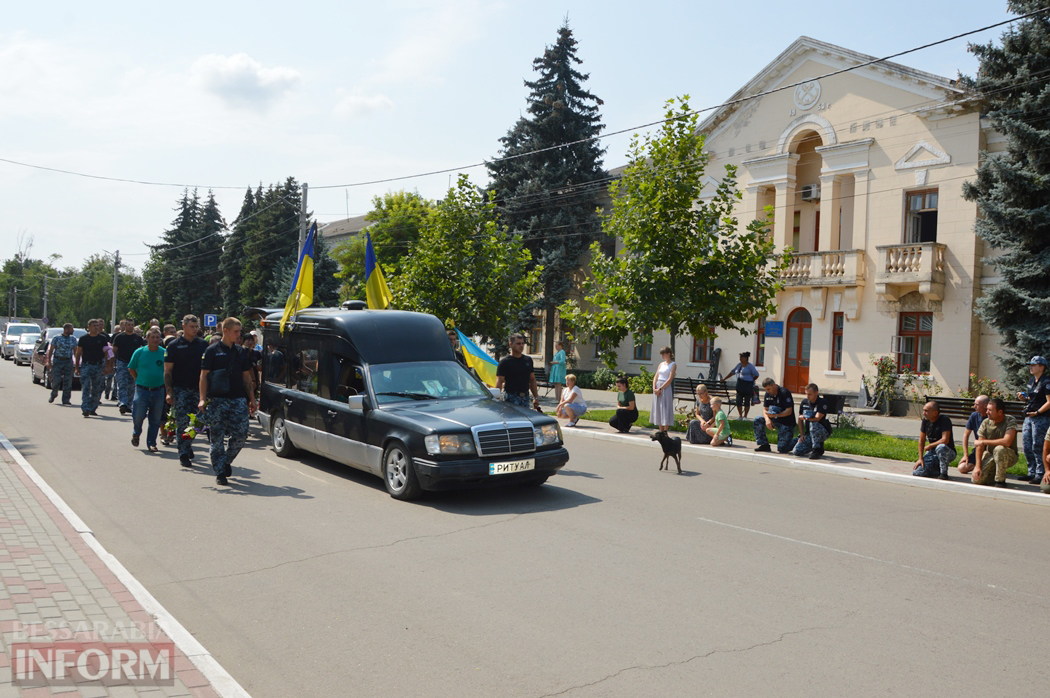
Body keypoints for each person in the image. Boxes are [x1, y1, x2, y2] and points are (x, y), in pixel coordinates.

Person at [199, 317, 256, 486]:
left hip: (238, 398)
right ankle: (220, 471)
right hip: (217, 399)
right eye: (236, 332)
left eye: (240, 332)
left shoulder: (240, 351)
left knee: (241, 434)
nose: (239, 335)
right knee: (216, 437)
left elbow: (247, 377)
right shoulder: (212, 351)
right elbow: (203, 376)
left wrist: (252, 399)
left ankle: (225, 461)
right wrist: (202, 399)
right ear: (226, 331)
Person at [165, 315, 208, 468]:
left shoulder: (203, 345)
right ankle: (183, 452)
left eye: (196, 327)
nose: (195, 330)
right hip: (180, 389)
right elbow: (168, 371)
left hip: (199, 390)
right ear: (183, 327)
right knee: (182, 422)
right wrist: (169, 391)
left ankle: (187, 444)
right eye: (192, 327)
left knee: (198, 422)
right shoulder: (174, 346)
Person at [128, 327, 166, 452]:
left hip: (159, 390)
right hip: (142, 389)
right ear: (147, 338)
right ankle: (136, 432)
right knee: (138, 416)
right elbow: (131, 368)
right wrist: (138, 379)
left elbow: (168, 370)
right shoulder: (139, 352)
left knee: (155, 419)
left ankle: (151, 443)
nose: (155, 340)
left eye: (157, 337)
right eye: (152, 337)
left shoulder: (164, 352)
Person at [1017, 356, 1050, 484]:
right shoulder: (1032, 381)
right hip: (1029, 417)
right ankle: (1031, 472)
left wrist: (1037, 412)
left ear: (1041, 367)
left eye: (1033, 365)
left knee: (1038, 445)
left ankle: (1040, 473)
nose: (1030, 367)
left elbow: (1049, 402)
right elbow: (1032, 399)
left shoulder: (1047, 382)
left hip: (1041, 418)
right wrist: (1024, 398)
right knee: (1027, 445)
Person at [972, 398, 1018, 487]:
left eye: (990, 410)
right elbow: (979, 446)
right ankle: (992, 474)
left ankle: (1000, 481)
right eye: (987, 409)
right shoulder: (985, 422)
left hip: (1008, 455)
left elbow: (1007, 442)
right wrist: (978, 466)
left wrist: (983, 442)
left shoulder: (1010, 420)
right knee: (977, 480)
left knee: (999, 449)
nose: (987, 412)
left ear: (1000, 412)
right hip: (990, 454)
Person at [74, 319, 110, 417]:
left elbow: (106, 352)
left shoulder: (102, 338)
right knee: (86, 387)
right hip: (86, 365)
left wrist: (107, 366)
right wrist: (77, 367)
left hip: (98, 365)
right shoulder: (83, 338)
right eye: (94, 325)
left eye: (97, 325)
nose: (96, 327)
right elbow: (78, 353)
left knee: (96, 388)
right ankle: (85, 408)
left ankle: (93, 408)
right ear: (89, 327)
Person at [496, 333, 540, 411]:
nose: (521, 346)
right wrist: (496, 399)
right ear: (510, 344)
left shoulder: (528, 360)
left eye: (523, 343)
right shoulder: (505, 362)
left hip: (525, 398)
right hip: (510, 398)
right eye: (518, 343)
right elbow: (499, 381)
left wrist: (535, 397)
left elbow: (532, 379)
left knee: (525, 421)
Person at [913, 401, 956, 479]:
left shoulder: (944, 420)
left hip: (947, 451)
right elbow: (921, 440)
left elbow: (945, 440)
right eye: (923, 410)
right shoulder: (925, 421)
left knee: (941, 447)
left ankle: (943, 473)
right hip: (933, 452)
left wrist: (930, 445)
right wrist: (920, 458)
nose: (923, 413)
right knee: (917, 472)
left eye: (926, 411)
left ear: (935, 413)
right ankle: (936, 470)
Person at [113, 319, 146, 415]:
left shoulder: (138, 338)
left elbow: (142, 351)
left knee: (132, 385)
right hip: (122, 362)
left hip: (134, 364)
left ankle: (128, 404)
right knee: (122, 383)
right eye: (129, 325)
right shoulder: (119, 337)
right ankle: (122, 403)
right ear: (125, 326)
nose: (131, 326)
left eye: (132, 325)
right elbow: (114, 350)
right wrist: (111, 363)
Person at [754, 377, 795, 453]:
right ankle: (764, 445)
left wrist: (776, 416)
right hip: (773, 419)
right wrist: (767, 419)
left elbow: (789, 411)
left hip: (786, 422)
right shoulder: (768, 394)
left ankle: (798, 440)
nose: (767, 391)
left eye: (769, 389)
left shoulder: (784, 393)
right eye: (766, 389)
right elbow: (765, 409)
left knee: (782, 449)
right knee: (758, 419)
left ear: (774, 385)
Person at [792, 383, 833, 459]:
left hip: (822, 431)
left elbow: (817, 418)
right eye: (806, 394)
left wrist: (806, 418)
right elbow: (800, 419)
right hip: (810, 433)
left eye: (810, 394)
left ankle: (817, 450)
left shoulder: (822, 402)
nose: (807, 396)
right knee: (796, 451)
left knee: (813, 424)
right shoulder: (804, 403)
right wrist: (802, 434)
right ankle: (812, 444)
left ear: (816, 393)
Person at [45, 323, 78, 405]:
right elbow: (51, 350)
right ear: (66, 329)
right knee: (56, 380)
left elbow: (75, 351)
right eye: (71, 329)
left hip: (68, 361)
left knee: (68, 381)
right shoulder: (56, 338)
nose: (73, 330)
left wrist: (76, 363)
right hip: (57, 360)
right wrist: (49, 361)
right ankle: (54, 394)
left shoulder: (73, 339)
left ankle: (66, 399)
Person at [957, 395, 989, 475]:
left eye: (976, 404)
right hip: (978, 448)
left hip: (989, 449)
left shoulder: (991, 417)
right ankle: (979, 465)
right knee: (962, 468)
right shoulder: (974, 415)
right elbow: (966, 435)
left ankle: (984, 466)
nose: (974, 406)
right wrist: (965, 455)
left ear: (985, 406)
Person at [725, 351, 760, 418]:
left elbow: (756, 374)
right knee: (739, 401)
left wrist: (752, 380)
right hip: (740, 384)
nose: (740, 359)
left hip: (748, 385)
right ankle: (740, 415)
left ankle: (745, 416)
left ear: (746, 358)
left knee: (747, 401)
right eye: (740, 357)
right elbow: (732, 372)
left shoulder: (750, 366)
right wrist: (724, 378)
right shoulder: (739, 365)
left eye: (741, 357)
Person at [651, 347, 676, 432]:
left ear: (668, 354)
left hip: (665, 387)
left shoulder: (673, 364)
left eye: (663, 354)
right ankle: (660, 430)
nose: (662, 356)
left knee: (665, 408)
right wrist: (654, 388)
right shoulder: (661, 364)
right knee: (658, 407)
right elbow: (656, 376)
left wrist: (660, 389)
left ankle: (665, 431)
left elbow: (670, 379)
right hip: (658, 386)